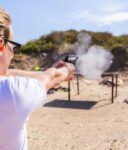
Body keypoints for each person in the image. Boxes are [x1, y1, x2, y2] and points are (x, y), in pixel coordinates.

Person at [0, 7, 75, 150]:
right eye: (12, 46)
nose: (13, 53)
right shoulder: (12, 92)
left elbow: (6, 73)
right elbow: (52, 78)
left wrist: (47, 72)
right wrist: (66, 69)